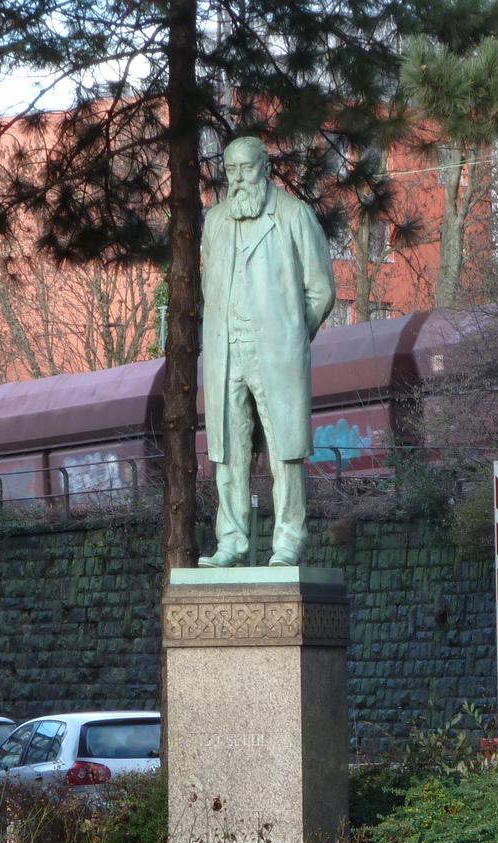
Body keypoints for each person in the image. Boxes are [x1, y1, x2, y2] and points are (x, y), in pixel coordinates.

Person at [196, 136, 335, 568]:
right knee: (227, 449)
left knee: (285, 449)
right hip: (226, 353)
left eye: (246, 168)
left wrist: (292, 336)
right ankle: (231, 540)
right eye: (230, 170)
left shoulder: (294, 215)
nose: (238, 179)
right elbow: (209, 287)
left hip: (276, 352)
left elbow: (321, 290)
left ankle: (289, 539)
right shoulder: (215, 221)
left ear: (266, 168)